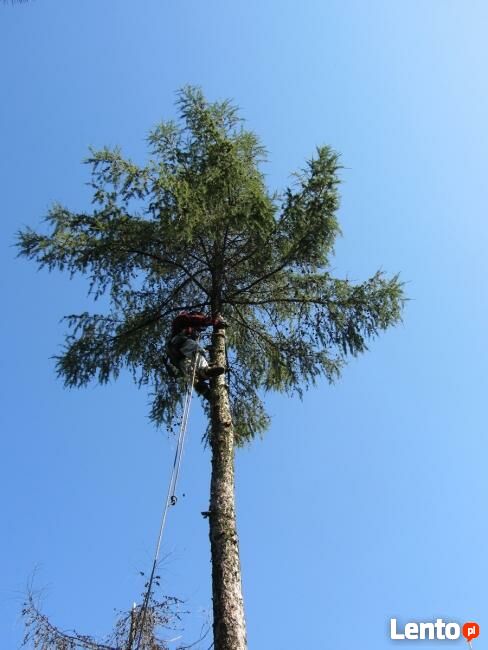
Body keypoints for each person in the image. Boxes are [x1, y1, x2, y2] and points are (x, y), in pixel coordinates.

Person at [167, 311, 226, 399]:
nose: (199, 329)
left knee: (186, 365)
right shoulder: (183, 319)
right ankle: (205, 370)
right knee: (196, 350)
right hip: (179, 343)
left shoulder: (188, 330)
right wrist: (214, 321)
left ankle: (199, 384)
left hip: (176, 355)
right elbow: (195, 320)